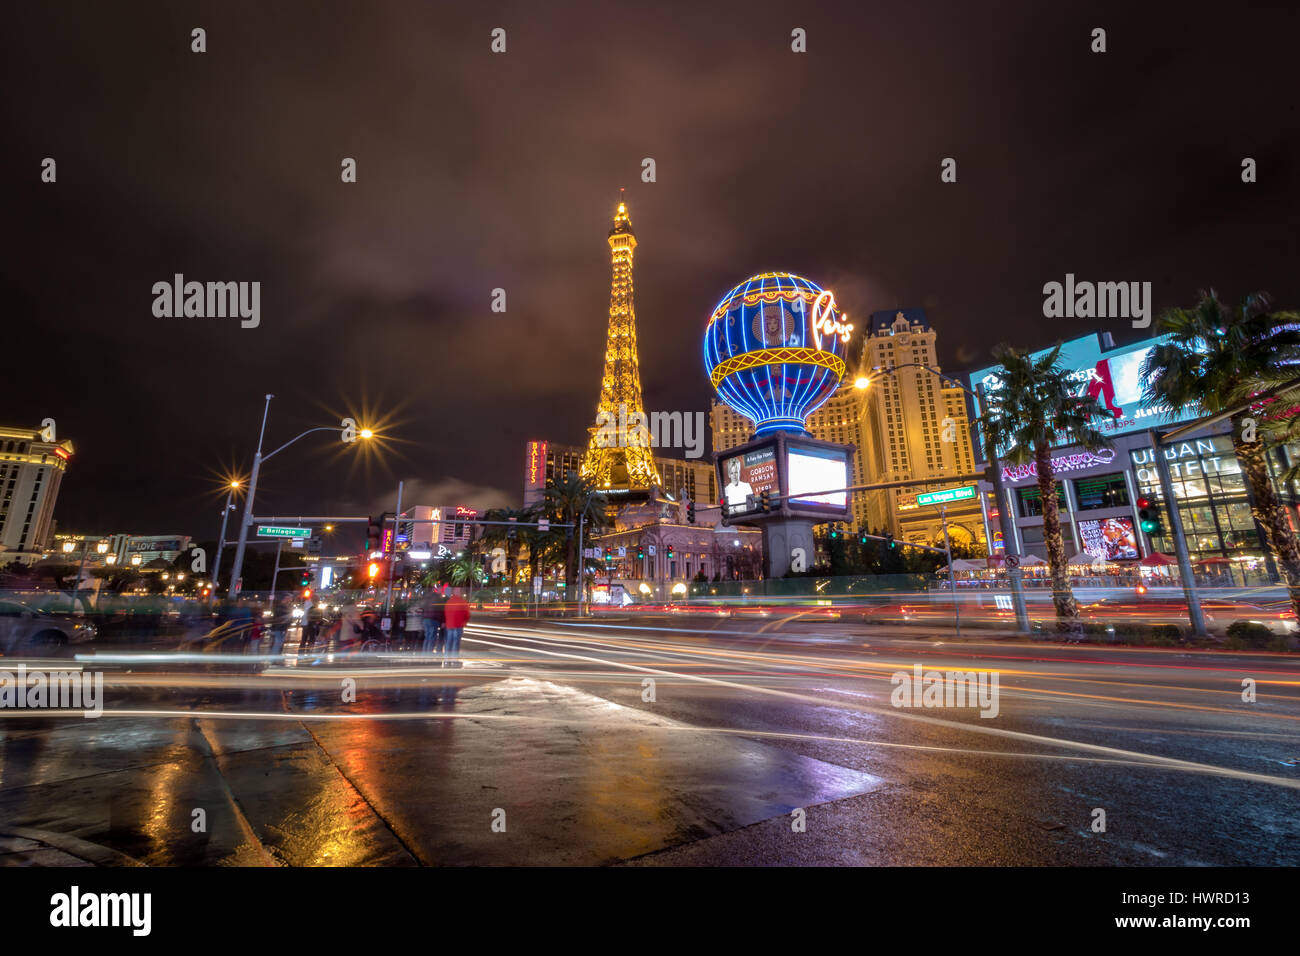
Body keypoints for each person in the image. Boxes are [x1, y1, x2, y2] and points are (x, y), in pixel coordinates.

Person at [442, 589, 470, 666]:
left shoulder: (449, 602)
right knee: (456, 643)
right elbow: (467, 614)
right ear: (459, 593)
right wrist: (464, 621)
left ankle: (447, 660)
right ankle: (454, 660)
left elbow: (445, 613)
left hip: (449, 625)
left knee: (448, 643)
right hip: (458, 625)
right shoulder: (462, 602)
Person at [421, 586, 447, 655]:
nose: (441, 591)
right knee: (432, 638)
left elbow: (423, 607)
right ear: (437, 589)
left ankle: (424, 654)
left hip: (426, 619)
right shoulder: (438, 598)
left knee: (427, 637)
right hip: (433, 619)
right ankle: (429, 654)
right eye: (441, 589)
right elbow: (440, 611)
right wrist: (443, 621)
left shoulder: (427, 597)